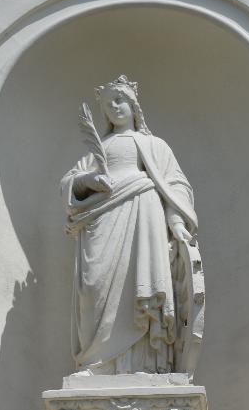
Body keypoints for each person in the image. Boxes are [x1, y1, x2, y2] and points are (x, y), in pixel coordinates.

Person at [61, 75, 198, 374]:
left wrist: (176, 220)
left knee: (142, 284)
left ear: (134, 105)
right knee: (94, 289)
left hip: (143, 218)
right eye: (108, 104)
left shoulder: (154, 145)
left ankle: (145, 364)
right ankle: (98, 363)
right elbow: (70, 183)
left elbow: (175, 185)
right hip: (101, 223)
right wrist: (90, 180)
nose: (115, 107)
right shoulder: (99, 149)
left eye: (120, 100)